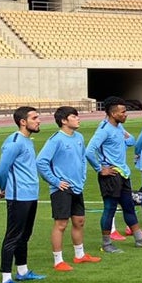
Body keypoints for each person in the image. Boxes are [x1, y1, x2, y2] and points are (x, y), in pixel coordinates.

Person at [86, 97, 142, 252]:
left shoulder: (118, 127)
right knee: (110, 208)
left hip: (123, 173)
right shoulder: (104, 130)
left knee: (129, 206)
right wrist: (100, 169)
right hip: (111, 175)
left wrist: (124, 137)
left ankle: (139, 239)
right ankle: (106, 244)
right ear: (113, 113)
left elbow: (131, 140)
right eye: (123, 112)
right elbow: (89, 151)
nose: (126, 114)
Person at [36, 106, 101, 271]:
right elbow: (41, 162)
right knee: (61, 224)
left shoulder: (78, 137)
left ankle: (80, 255)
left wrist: (82, 178)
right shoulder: (56, 139)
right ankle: (58, 261)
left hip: (77, 186)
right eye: (74, 116)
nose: (78, 119)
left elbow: (82, 159)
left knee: (79, 221)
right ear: (64, 120)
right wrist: (56, 181)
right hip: (62, 189)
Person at [0, 106, 45, 283]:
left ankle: (22, 271)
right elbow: (2, 169)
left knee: (25, 235)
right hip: (18, 195)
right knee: (13, 236)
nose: (38, 120)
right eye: (34, 117)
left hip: (31, 194)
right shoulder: (14, 141)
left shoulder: (27, 141)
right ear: (23, 122)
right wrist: (3, 188)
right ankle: (5, 278)